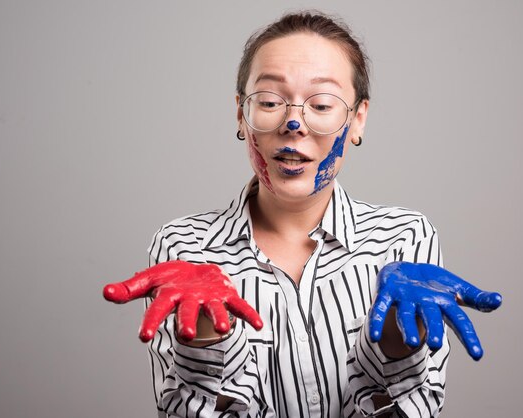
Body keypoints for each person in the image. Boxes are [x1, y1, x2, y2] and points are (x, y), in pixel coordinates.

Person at [103, 11, 502, 418]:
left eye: (323, 103)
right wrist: (205, 338)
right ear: (241, 114)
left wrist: (398, 342)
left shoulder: (405, 240)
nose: (294, 123)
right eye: (271, 101)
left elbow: (418, 409)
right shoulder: (183, 249)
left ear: (357, 119)